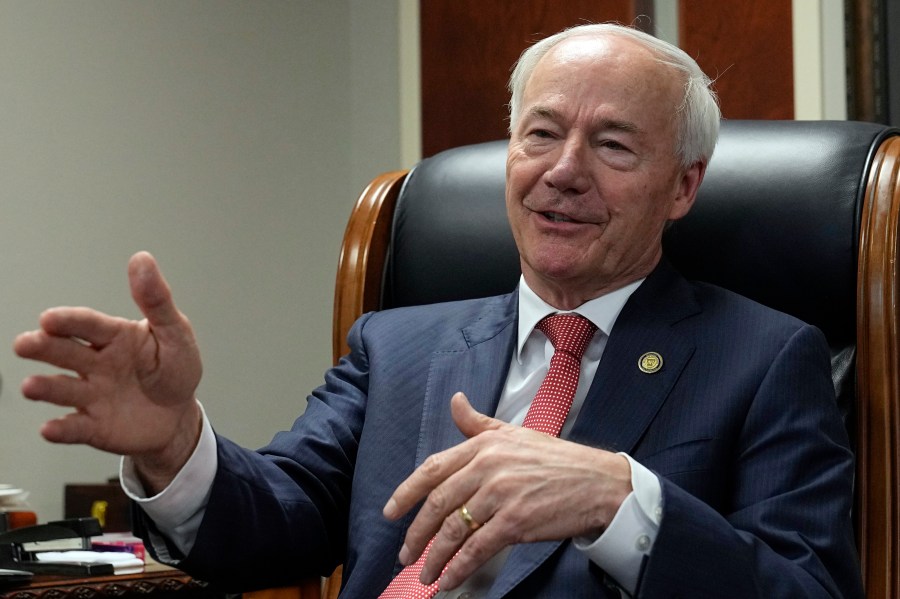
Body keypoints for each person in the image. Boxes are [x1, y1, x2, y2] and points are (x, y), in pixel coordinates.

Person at [14, 23, 863, 598]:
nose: (563, 170)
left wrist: (622, 499)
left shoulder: (763, 356)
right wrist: (174, 443)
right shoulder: (399, 344)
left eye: (612, 144)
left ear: (683, 186)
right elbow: (270, 525)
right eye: (540, 133)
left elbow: (808, 587)